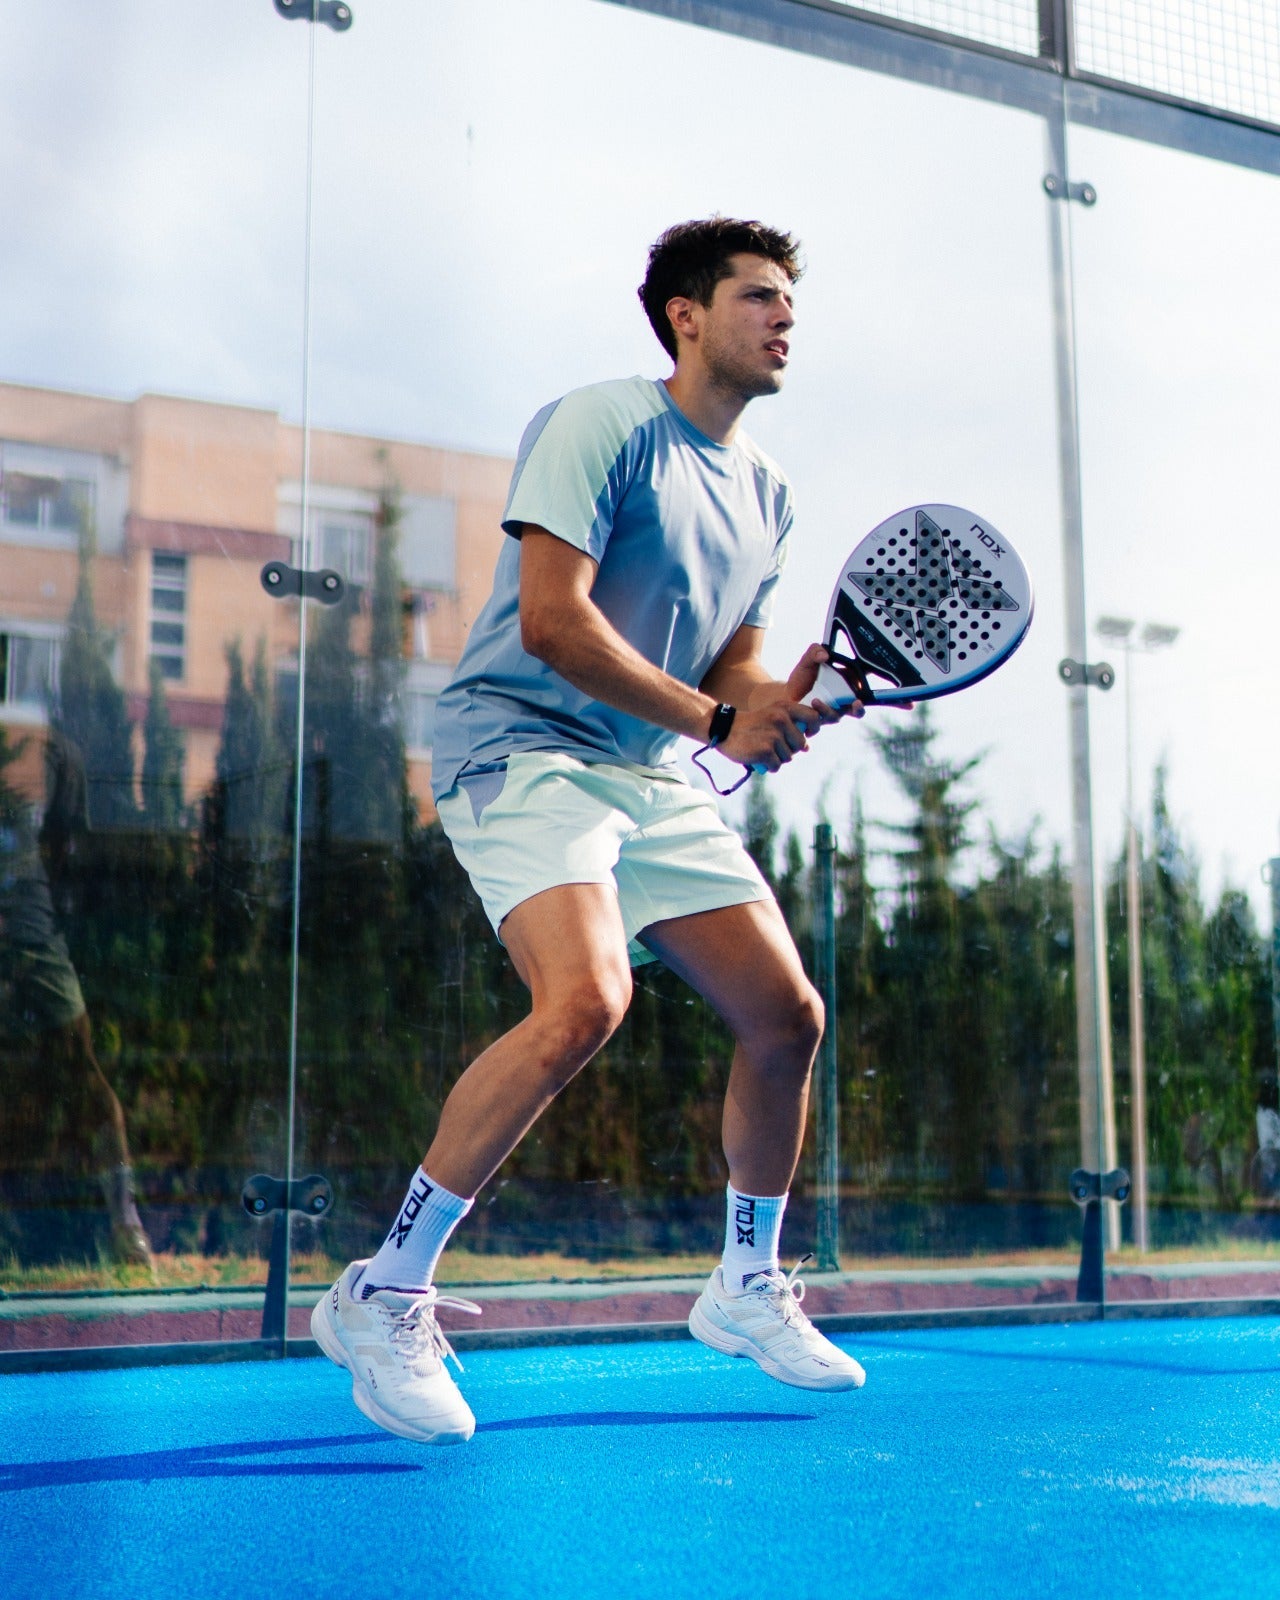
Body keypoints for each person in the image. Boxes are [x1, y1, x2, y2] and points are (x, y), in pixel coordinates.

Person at [313, 216, 866, 1443]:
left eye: (791, 304)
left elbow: (730, 662)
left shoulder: (769, 490)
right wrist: (723, 715)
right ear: (684, 313)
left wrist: (764, 705)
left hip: (645, 767)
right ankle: (384, 1291)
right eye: (760, 297)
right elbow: (557, 625)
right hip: (517, 744)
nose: (785, 321)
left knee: (787, 1017)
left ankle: (742, 1283)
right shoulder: (598, 424)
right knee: (583, 1002)